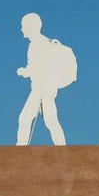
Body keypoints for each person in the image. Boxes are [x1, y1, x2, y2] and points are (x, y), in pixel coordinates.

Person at [16, 13, 77, 146]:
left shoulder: (38, 44)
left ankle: (21, 149)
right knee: (50, 121)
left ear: (30, 27)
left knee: (26, 119)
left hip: (42, 91)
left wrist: (24, 71)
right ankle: (61, 148)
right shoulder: (40, 43)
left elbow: (38, 67)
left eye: (23, 26)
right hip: (44, 90)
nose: (21, 29)